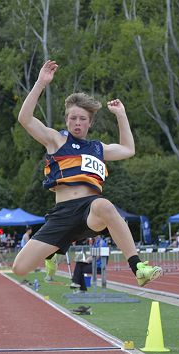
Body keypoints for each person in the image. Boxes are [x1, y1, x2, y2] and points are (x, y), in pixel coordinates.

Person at [12, 59, 162, 286]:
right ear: (66, 120)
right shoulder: (56, 139)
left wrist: (121, 115)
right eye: (73, 118)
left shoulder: (97, 148)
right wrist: (40, 83)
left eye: (82, 119)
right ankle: (53, 253)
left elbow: (128, 149)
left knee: (105, 205)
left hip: (90, 211)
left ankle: (138, 267)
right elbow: (25, 119)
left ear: (90, 123)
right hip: (62, 214)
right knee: (19, 268)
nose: (77, 122)